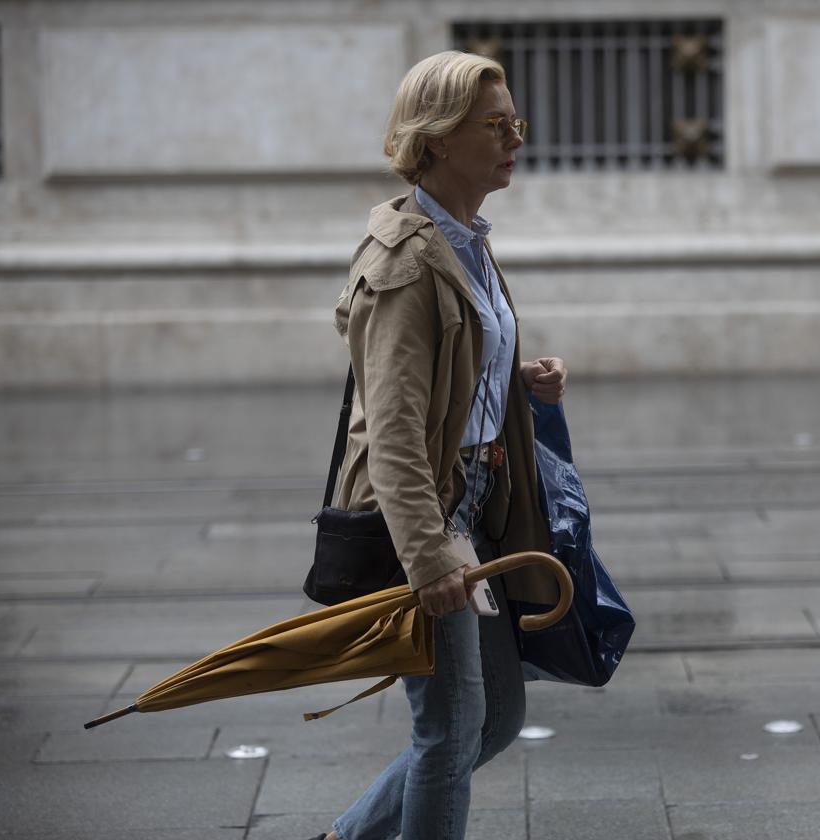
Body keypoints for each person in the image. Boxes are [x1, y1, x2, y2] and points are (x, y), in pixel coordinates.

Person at [306, 51, 568, 840]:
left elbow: (446, 363)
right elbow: (392, 432)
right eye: (496, 125)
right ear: (439, 136)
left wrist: (515, 377)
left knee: (494, 721)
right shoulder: (404, 260)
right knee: (450, 730)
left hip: (480, 505)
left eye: (514, 122)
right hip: (428, 513)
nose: (514, 137)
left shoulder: (467, 241)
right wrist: (427, 559)